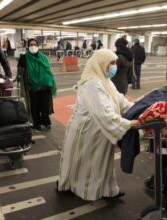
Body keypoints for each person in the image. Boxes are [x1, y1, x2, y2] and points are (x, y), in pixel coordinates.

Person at [57, 49, 141, 201]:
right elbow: (104, 113)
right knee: (84, 163)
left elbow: (120, 100)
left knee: (100, 163)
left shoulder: (105, 81)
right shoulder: (92, 84)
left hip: (97, 130)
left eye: (115, 62)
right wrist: (128, 124)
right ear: (101, 63)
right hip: (85, 132)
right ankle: (78, 188)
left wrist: (138, 109)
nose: (114, 66)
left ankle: (107, 190)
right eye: (112, 63)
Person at [17, 39, 56, 131]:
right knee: (34, 107)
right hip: (32, 87)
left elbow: (48, 70)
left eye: (35, 44)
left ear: (37, 46)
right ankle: (36, 124)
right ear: (28, 46)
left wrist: (51, 82)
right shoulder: (24, 58)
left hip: (45, 87)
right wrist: (21, 85)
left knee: (45, 106)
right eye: (31, 45)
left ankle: (46, 122)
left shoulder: (43, 57)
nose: (33, 46)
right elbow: (20, 72)